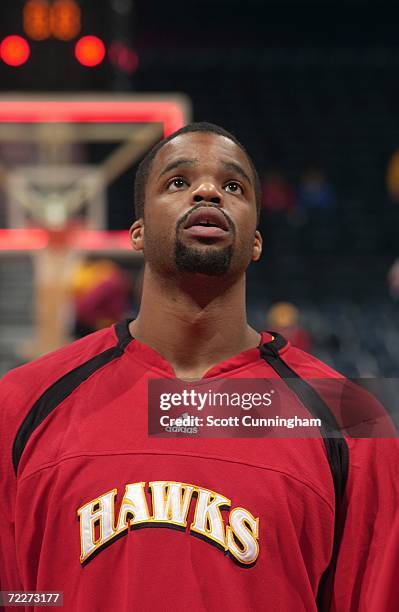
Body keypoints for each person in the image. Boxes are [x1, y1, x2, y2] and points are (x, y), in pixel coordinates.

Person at [0, 122, 397, 611]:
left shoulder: (352, 418)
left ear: (256, 239)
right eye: (177, 182)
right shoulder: (20, 404)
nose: (208, 191)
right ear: (137, 233)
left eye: (233, 186)